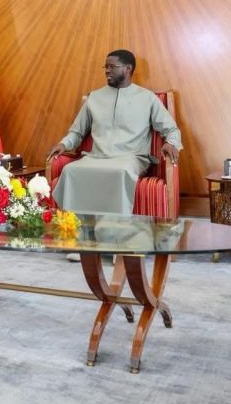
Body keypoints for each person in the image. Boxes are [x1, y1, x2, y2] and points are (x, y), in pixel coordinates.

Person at [45, 49, 181, 261]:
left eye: (112, 67)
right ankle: (81, 243)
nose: (107, 71)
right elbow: (77, 132)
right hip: (96, 157)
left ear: (128, 69)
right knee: (71, 170)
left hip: (131, 158)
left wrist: (171, 143)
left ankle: (120, 245)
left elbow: (171, 129)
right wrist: (64, 144)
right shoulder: (94, 98)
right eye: (105, 67)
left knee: (119, 171)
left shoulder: (147, 99)